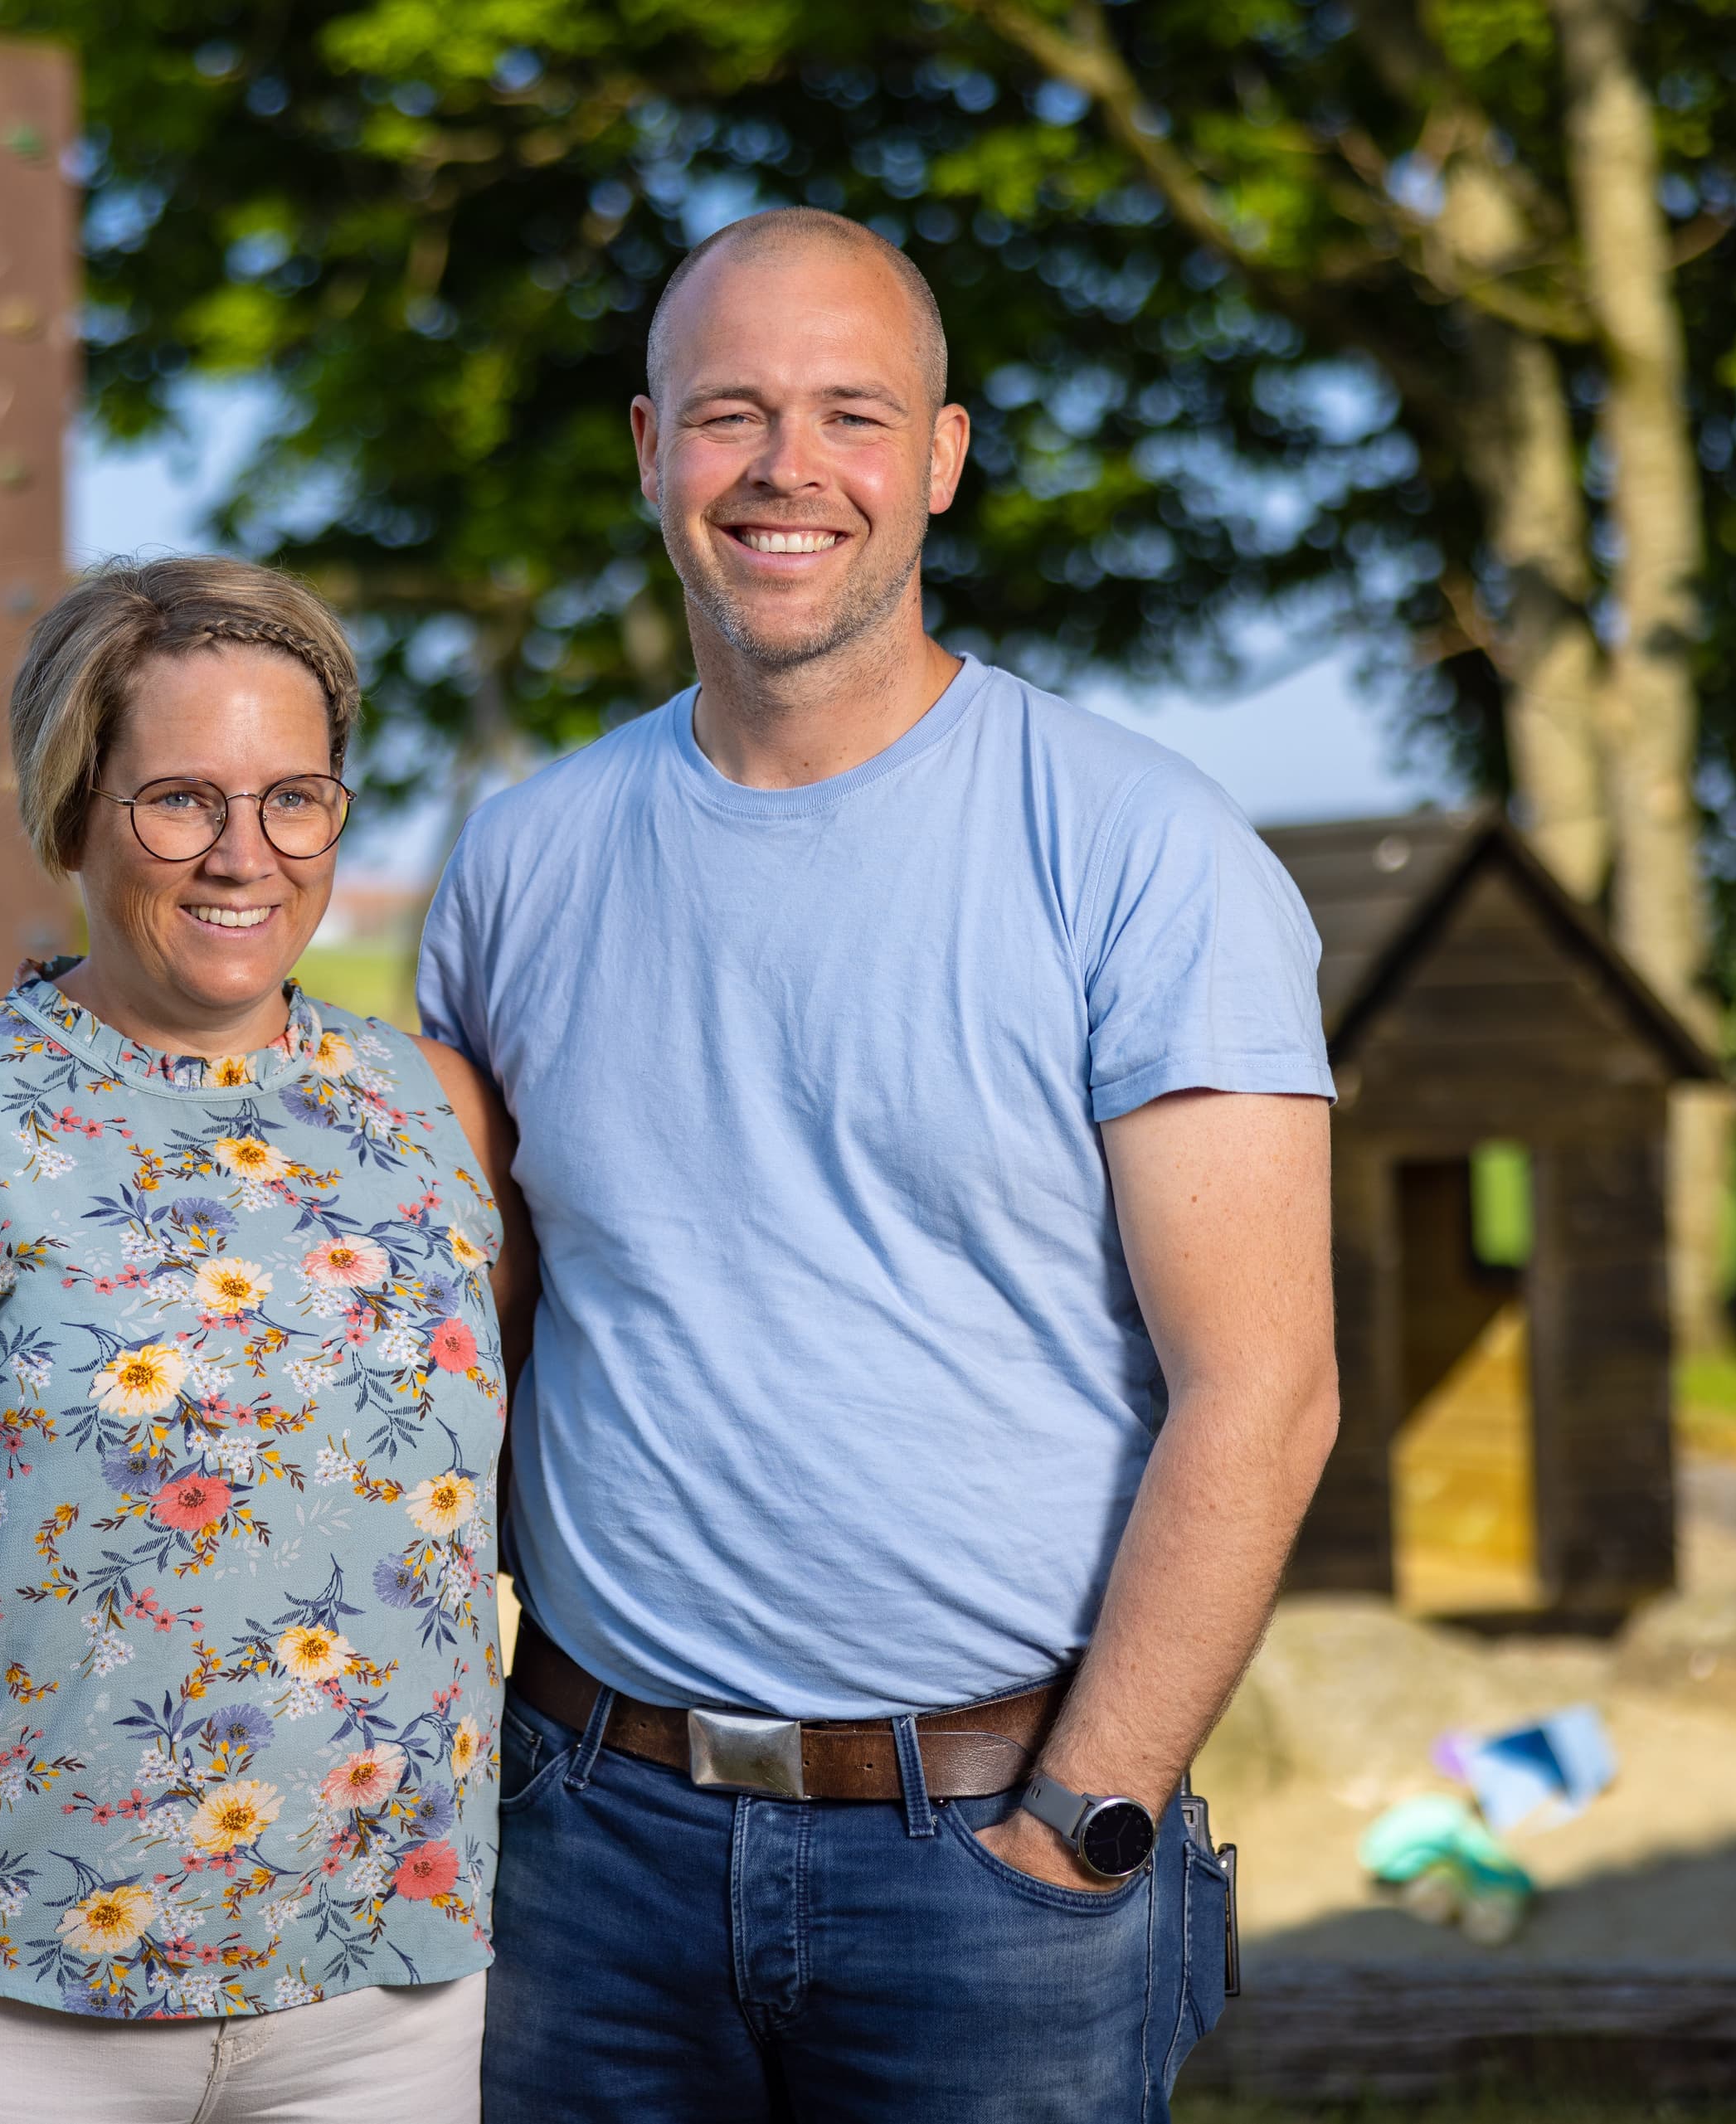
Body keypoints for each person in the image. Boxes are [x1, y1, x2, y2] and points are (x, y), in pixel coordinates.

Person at [420, 209, 1341, 2118]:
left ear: (939, 459)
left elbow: (1266, 1391)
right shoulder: (520, 866)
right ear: (648, 449)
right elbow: (456, 1346)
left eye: (852, 414)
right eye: (728, 411)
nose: (785, 470)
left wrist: (1088, 1819)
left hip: (986, 1862)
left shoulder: (1139, 853)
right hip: (586, 1842)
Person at [0, 555, 531, 2124]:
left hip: (384, 2009)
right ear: (74, 808)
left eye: (297, 797)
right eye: (180, 798)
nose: (245, 855)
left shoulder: (438, 1113)